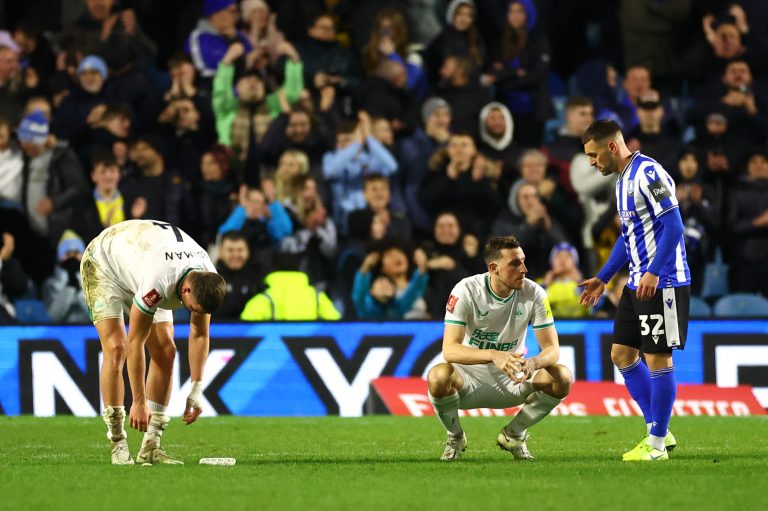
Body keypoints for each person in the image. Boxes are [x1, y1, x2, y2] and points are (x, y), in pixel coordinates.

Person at [580, 120, 690, 461]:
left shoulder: (648, 174)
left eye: (594, 155)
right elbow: (629, 240)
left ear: (612, 147)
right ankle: (658, 429)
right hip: (635, 283)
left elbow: (673, 226)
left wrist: (655, 272)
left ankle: (656, 446)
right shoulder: (621, 181)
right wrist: (603, 277)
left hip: (663, 281)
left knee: (658, 357)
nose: (592, 163)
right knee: (622, 355)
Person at [80, 219, 226, 465]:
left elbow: (199, 333)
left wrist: (196, 390)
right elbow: (136, 342)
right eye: (191, 308)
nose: (193, 312)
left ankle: (151, 446)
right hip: (105, 262)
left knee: (166, 351)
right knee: (117, 347)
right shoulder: (160, 282)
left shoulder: (206, 278)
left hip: (140, 264)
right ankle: (117, 442)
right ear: (186, 291)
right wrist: (138, 401)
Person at [427, 235, 572, 461]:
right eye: (514, 263)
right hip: (469, 379)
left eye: (523, 261)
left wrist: (534, 362)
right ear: (493, 268)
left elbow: (552, 350)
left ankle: (514, 433)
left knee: (562, 376)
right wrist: (493, 355)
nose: (523, 269)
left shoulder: (534, 293)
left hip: (513, 377)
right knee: (437, 377)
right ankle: (455, 436)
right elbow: (450, 351)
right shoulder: (466, 290)